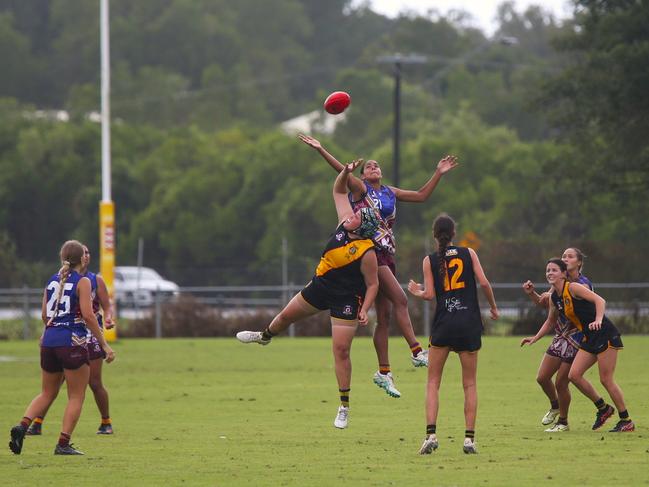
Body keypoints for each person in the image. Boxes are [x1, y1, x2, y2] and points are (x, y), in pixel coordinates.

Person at [299, 133, 458, 398]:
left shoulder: (390, 192)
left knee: (383, 317)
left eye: (376, 165)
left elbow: (421, 196)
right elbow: (342, 172)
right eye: (368, 166)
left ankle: (384, 373)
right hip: (370, 254)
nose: (373, 166)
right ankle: (418, 352)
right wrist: (321, 149)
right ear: (362, 175)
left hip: (388, 254)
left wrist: (438, 172)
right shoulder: (361, 190)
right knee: (401, 300)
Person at [236, 160, 379, 429]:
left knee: (340, 350)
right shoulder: (343, 225)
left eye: (358, 216)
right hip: (320, 287)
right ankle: (264, 336)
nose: (352, 215)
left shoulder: (367, 251)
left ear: (363, 227)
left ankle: (344, 406)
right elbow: (338, 191)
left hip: (347, 300)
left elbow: (373, 285)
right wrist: (346, 172)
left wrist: (365, 309)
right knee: (284, 317)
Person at [8, 240, 115, 456]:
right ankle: (63, 444)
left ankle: (22, 426)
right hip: (72, 341)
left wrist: (50, 332)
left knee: (47, 393)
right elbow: (87, 315)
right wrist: (104, 344)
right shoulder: (83, 281)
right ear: (82, 258)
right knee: (76, 396)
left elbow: (44, 316)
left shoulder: (51, 281)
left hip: (49, 340)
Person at [407, 214, 498, 454]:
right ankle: (469, 439)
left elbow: (429, 295)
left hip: (444, 325)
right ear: (454, 234)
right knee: (469, 384)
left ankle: (430, 435)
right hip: (469, 324)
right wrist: (493, 307)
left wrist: (416, 291)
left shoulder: (430, 260)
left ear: (435, 235)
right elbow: (485, 283)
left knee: (433, 382)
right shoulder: (469, 254)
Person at [541, 258, 634, 432]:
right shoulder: (556, 296)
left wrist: (598, 319)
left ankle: (626, 420)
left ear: (563, 273)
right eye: (547, 271)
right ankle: (604, 408)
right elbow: (551, 319)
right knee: (574, 375)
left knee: (606, 379)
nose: (550, 273)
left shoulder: (574, 287)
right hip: (589, 337)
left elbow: (600, 301)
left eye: (554, 270)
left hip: (605, 333)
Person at [520, 248, 593, 432]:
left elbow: (593, 302)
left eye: (570, 256)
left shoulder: (581, 284)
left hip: (577, 337)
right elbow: (548, 306)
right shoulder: (559, 284)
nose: (565, 259)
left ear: (579, 263)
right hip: (561, 336)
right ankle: (555, 406)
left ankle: (564, 421)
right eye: (563, 256)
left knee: (562, 382)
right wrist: (532, 294)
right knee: (542, 377)